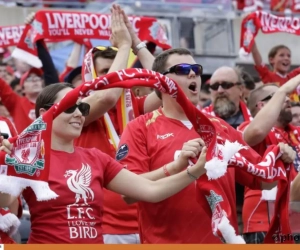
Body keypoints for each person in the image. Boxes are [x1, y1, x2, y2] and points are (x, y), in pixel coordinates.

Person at [116, 48, 294, 243]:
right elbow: (128, 194)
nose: (193, 73)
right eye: (182, 69)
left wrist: (280, 159)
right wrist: (176, 167)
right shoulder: (140, 128)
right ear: (162, 81)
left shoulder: (219, 127)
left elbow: (262, 181)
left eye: (196, 69)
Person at [0, 82, 209, 244]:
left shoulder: (95, 158)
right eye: (69, 107)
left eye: (82, 107)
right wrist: (3, 167)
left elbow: (150, 190)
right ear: (44, 114)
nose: (78, 114)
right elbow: (3, 204)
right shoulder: (27, 157)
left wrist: (191, 171)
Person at [237, 75, 300, 244]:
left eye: (285, 95)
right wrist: (284, 88)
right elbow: (255, 132)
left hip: (295, 220)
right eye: (279, 95)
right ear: (262, 105)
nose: (287, 99)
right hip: (264, 222)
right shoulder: (248, 128)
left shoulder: (295, 133)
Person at [201, 66, 252, 234]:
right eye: (215, 87)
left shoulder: (256, 120)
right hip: (210, 207)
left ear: (241, 89)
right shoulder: (197, 121)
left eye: (226, 85)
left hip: (249, 206)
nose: (220, 90)